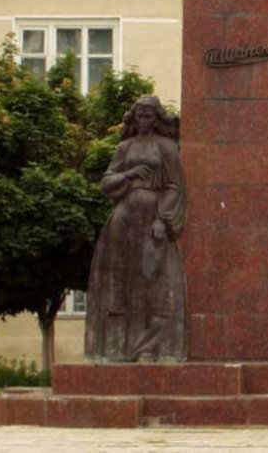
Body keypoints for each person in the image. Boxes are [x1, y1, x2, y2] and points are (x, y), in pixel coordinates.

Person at [84, 96, 186, 361]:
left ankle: (150, 347)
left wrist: (163, 220)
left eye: (148, 116)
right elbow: (106, 183)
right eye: (139, 116)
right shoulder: (124, 147)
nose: (143, 121)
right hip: (124, 216)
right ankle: (118, 345)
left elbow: (175, 185)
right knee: (121, 278)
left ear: (157, 119)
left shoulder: (166, 146)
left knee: (152, 278)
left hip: (152, 213)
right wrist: (128, 175)